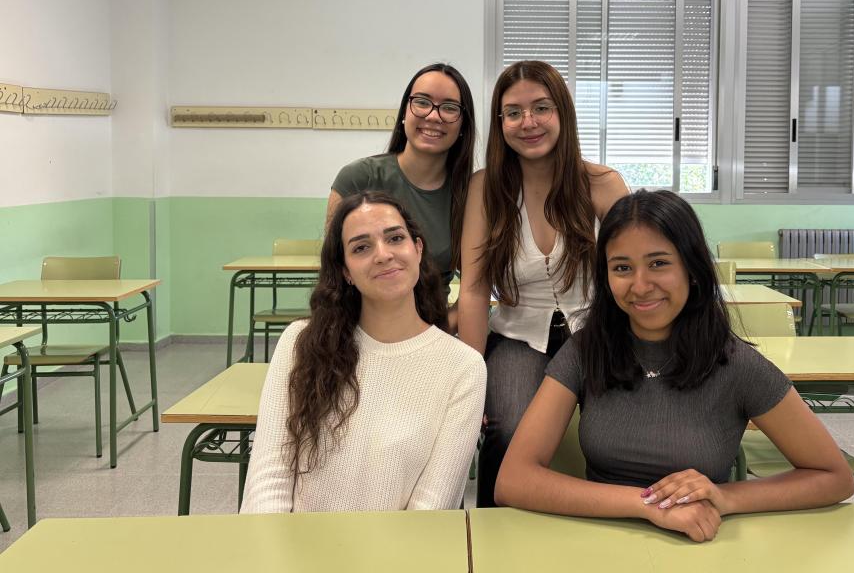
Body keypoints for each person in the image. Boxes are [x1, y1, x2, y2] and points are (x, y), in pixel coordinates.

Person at [493, 190, 854, 541]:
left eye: (659, 263)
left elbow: (834, 477)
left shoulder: (736, 363)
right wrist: (649, 505)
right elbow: (513, 480)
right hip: (601, 540)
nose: (640, 285)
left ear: (692, 269)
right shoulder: (586, 349)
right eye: (622, 268)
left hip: (700, 544)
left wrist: (726, 498)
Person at [241, 191, 486, 513]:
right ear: (345, 272)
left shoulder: (463, 366)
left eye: (395, 238)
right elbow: (268, 481)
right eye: (361, 247)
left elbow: (431, 507)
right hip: (296, 555)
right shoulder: (300, 342)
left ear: (418, 248)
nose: (383, 255)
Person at [459, 60, 630, 507]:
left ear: (563, 115)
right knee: (508, 428)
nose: (528, 122)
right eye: (513, 112)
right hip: (516, 334)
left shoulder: (601, 184)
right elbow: (475, 290)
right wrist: (471, 379)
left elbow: (638, 273)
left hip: (596, 331)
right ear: (500, 123)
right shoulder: (484, 189)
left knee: (613, 436)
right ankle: (500, 531)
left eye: (541, 108)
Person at [328, 63, 476, 292]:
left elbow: (475, 287)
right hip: (362, 321)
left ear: (463, 123)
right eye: (422, 102)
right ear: (404, 112)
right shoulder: (357, 179)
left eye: (449, 107)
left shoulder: (470, 194)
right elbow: (334, 272)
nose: (433, 116)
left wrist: (440, 326)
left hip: (433, 321)